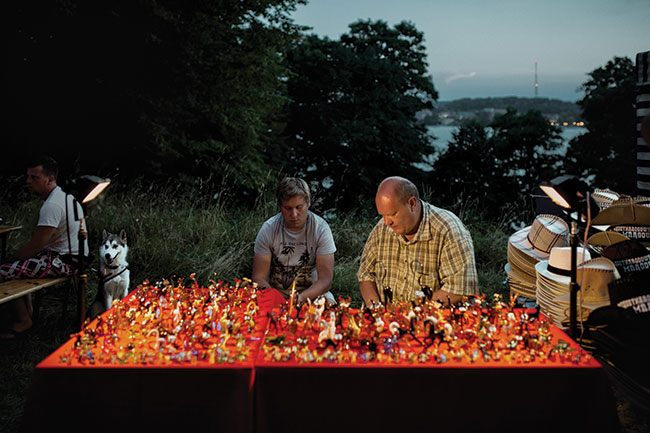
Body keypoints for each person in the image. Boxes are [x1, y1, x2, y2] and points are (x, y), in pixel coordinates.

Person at [357, 176, 479, 306]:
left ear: (412, 203)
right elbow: (365, 275)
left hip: (437, 320)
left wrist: (406, 311)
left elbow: (460, 291)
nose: (387, 222)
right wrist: (376, 310)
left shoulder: (448, 230)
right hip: (387, 320)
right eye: (383, 215)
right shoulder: (381, 229)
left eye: (392, 214)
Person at [0, 156, 86, 339]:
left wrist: (7, 260)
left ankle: (23, 320)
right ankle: (27, 312)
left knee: (4, 270)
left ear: (50, 179)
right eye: (28, 177)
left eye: (34, 177)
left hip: (64, 262)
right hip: (71, 258)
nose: (28, 181)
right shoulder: (63, 197)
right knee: (18, 266)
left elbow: (35, 246)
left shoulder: (53, 205)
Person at [252, 177, 337, 304]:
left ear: (308, 203)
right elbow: (258, 277)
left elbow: (325, 280)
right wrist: (277, 299)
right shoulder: (269, 228)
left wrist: (301, 298)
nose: (294, 214)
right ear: (280, 206)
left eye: (299, 207)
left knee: (329, 307)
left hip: (312, 293)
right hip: (275, 292)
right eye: (288, 208)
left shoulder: (321, 229)